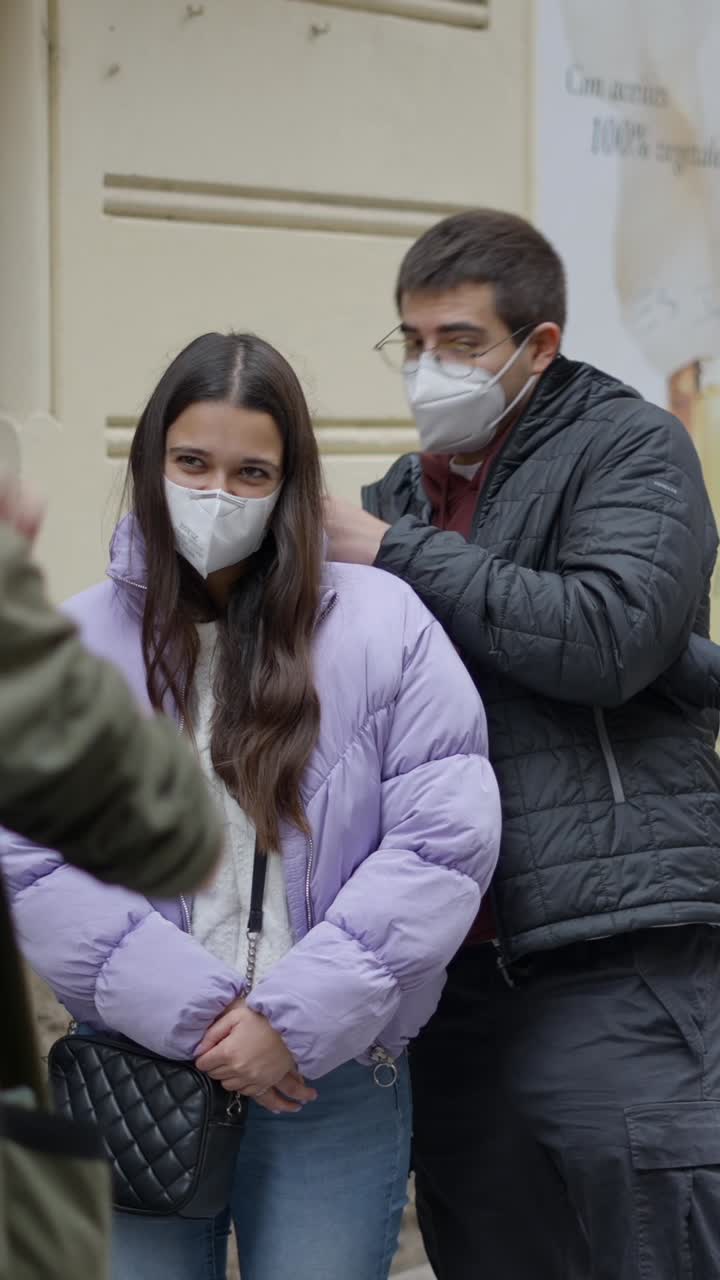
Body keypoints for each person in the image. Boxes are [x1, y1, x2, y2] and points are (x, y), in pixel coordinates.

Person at [3, 331, 501, 1280]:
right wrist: (195, 1016)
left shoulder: (385, 622)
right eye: (192, 462)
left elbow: (445, 841)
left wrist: (294, 1018)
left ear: (289, 482)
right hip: (137, 1065)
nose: (216, 494)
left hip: (333, 1077)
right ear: (151, 463)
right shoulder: (71, 643)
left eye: (250, 471)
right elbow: (29, 855)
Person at [324, 208, 720, 1280]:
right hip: (451, 972)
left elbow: (613, 634)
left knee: (650, 1243)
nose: (427, 368)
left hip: (612, 953)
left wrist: (393, 554)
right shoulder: (405, 492)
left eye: (460, 342)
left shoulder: (632, 444)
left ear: (538, 345)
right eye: (411, 343)